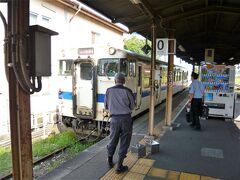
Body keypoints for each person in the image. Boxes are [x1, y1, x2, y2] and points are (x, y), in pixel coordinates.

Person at [104, 72, 135, 173]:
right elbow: (132, 106)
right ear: (124, 81)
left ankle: (109, 161)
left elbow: (106, 106)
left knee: (112, 139)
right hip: (126, 119)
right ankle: (119, 166)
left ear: (115, 80)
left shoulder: (109, 90)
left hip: (114, 119)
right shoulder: (128, 91)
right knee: (125, 141)